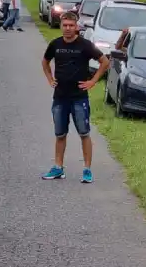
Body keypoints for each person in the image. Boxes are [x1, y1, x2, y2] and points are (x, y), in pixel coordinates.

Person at [41, 11, 109, 183]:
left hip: (79, 97)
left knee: (84, 133)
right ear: (61, 25)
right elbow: (45, 61)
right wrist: (50, 79)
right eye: (65, 25)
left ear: (77, 27)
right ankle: (58, 167)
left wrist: (92, 81)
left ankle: (87, 170)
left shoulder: (85, 45)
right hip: (60, 97)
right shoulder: (55, 44)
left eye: (71, 25)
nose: (68, 28)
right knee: (60, 134)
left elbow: (105, 62)